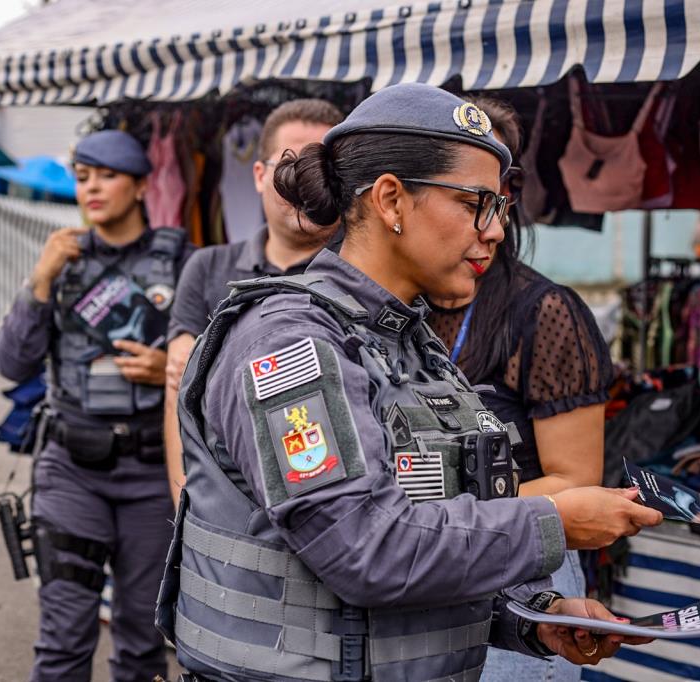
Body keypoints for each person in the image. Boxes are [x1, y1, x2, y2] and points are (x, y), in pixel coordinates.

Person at [156, 83, 663, 682]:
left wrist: (529, 619)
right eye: (478, 203)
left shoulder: (410, 344)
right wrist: (553, 520)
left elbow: (423, 546)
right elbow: (364, 549)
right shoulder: (292, 345)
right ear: (392, 200)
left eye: (500, 207)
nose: (496, 230)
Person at [427, 96, 612, 682]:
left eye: (490, 199)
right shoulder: (393, 305)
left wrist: (447, 517)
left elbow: (577, 480)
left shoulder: (544, 312)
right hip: (418, 567)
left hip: (524, 578)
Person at [0, 130, 194, 682]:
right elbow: (12, 363)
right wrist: (40, 280)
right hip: (71, 472)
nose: (92, 188)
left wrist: (171, 371)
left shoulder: (184, 260)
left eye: (106, 176)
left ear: (139, 185)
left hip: (152, 473)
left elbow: (225, 360)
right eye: (83, 178)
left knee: (141, 642)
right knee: (62, 640)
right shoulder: (60, 260)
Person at [164, 98, 343, 508]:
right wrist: (186, 511)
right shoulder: (208, 268)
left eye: (320, 168)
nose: (303, 182)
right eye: (290, 166)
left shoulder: (364, 277)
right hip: (225, 504)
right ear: (259, 176)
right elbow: (176, 392)